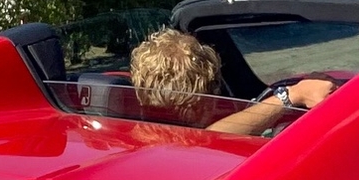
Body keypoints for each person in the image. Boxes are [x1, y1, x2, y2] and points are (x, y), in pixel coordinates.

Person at [128, 27, 336, 136]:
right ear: (200, 104)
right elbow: (209, 138)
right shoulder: (195, 146)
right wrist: (291, 95)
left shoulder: (129, 132)